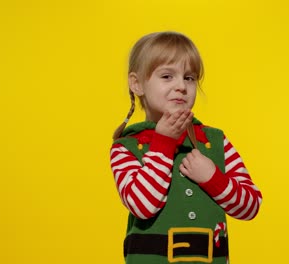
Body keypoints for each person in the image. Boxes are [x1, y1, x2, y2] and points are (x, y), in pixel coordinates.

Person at [110, 31, 262, 264]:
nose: (181, 86)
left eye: (189, 78)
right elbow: (142, 206)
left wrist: (212, 177)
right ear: (137, 84)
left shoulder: (215, 141)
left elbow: (251, 206)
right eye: (167, 76)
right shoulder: (127, 147)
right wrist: (163, 142)